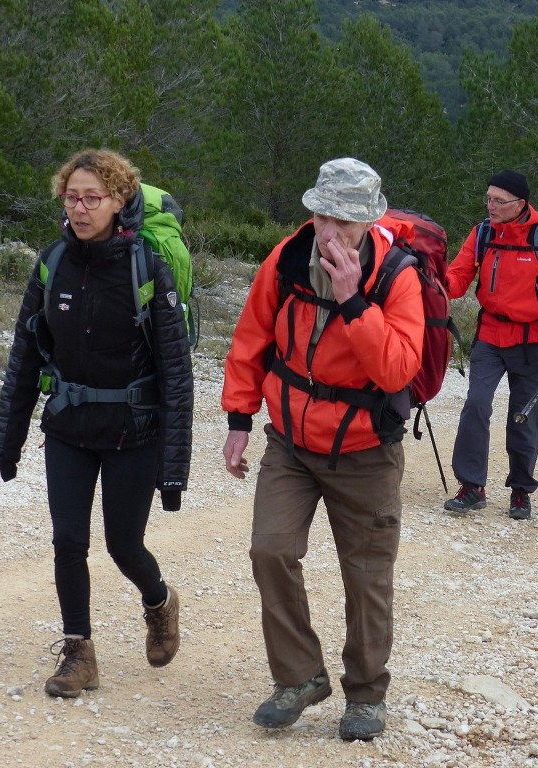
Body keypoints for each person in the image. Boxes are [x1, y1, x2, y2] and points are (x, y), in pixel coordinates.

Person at [220, 158, 423, 741]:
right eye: (324, 216)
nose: (332, 232)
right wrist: (239, 417)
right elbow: (252, 337)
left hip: (365, 451)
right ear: (312, 210)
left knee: (365, 577)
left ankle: (364, 695)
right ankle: (300, 677)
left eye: (348, 222)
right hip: (290, 443)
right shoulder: (285, 258)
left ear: (370, 222)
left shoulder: (396, 276)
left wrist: (354, 301)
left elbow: (395, 370)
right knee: (270, 550)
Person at [0, 148, 193, 698]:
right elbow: (24, 356)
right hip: (69, 429)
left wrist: (174, 469)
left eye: (92, 198)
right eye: (71, 197)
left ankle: (158, 600)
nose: (80, 208)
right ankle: (79, 653)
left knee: (124, 545)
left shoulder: (148, 267)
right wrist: (7, 440)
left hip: (135, 432)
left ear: (119, 200)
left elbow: (176, 373)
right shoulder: (52, 261)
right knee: (67, 541)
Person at [442, 169, 538, 520]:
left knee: (524, 418)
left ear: (520, 203)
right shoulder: (483, 233)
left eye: (498, 201)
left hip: (534, 343)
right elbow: (457, 277)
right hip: (489, 336)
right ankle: (472, 487)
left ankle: (520, 491)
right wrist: (429, 280)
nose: (490, 206)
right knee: (476, 405)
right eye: (488, 198)